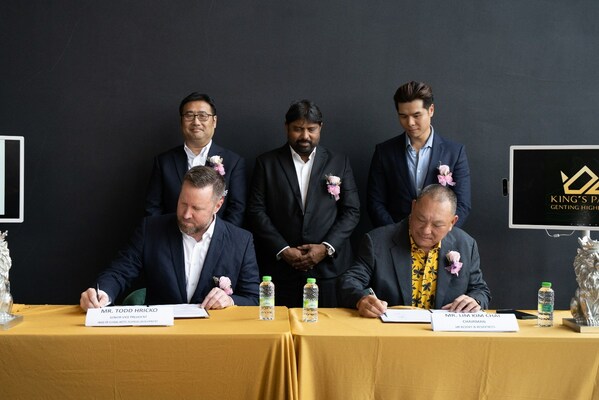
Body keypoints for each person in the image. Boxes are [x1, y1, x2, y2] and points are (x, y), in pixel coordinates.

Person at [80, 166, 259, 311]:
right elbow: (120, 272)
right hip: (161, 334)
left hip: (215, 336)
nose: (186, 214)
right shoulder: (150, 230)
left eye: (196, 208)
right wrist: (102, 293)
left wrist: (230, 300)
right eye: (183, 203)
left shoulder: (241, 241)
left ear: (217, 206)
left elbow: (253, 298)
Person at [247, 99, 360, 308]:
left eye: (311, 129)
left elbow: (351, 211)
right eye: (298, 129)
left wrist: (326, 248)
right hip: (281, 272)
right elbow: (256, 211)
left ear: (321, 128)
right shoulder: (267, 163)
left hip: (329, 271)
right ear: (286, 127)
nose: (305, 136)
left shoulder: (339, 161)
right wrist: (283, 249)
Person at [338, 184, 490, 318]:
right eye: (421, 219)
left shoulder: (466, 245)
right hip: (392, 333)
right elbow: (349, 282)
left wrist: (475, 301)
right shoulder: (377, 241)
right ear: (413, 207)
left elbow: (480, 290)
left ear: (452, 222)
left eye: (437, 225)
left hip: (444, 335)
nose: (426, 230)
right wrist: (361, 299)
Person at [367, 81, 471, 229]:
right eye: (403, 116)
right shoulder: (384, 152)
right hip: (394, 236)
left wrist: (439, 234)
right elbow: (375, 202)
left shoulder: (454, 152)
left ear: (431, 110)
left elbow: (462, 204)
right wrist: (394, 234)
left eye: (416, 115)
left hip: (439, 238)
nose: (410, 123)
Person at [145, 92, 246, 226]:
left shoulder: (233, 162)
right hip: (171, 235)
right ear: (181, 121)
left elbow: (236, 210)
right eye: (189, 115)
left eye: (203, 116)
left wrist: (218, 237)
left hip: (217, 237)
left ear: (214, 121)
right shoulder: (164, 162)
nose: (196, 122)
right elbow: (153, 207)